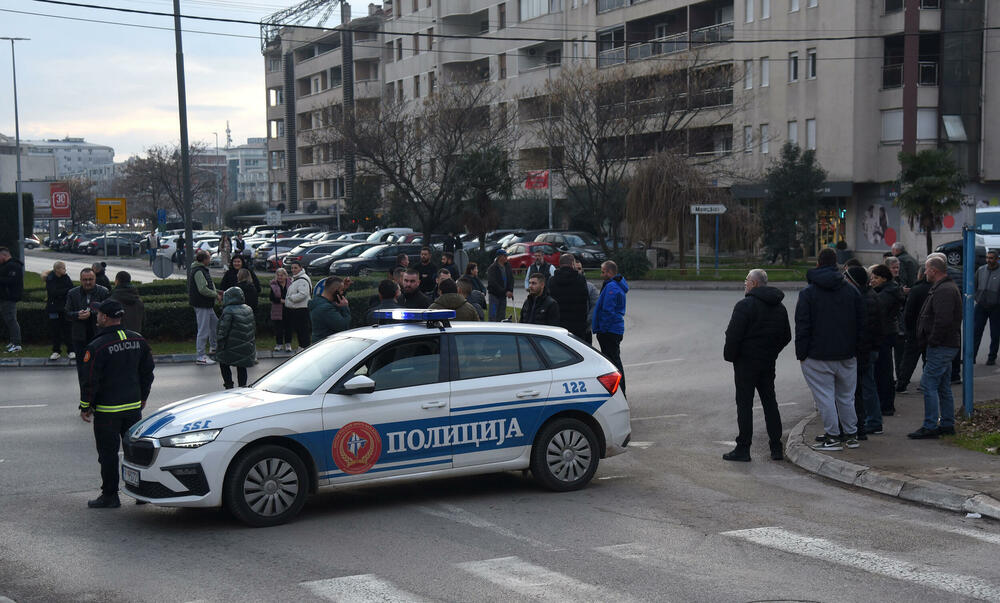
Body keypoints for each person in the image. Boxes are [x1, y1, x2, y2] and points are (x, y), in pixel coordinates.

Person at [78, 299, 154, 509]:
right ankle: (141, 492)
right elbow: (147, 372)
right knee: (134, 453)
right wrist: (143, 396)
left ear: (104, 317)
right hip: (132, 408)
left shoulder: (97, 346)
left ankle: (110, 495)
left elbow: (90, 380)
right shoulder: (138, 340)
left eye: (99, 314)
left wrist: (85, 406)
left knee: (108, 455)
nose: (97, 317)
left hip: (108, 412)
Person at [796, 248, 864, 451]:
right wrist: (856, 348)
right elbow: (861, 322)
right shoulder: (851, 290)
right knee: (846, 396)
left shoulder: (808, 293)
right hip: (847, 354)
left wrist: (802, 353)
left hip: (817, 354)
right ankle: (851, 434)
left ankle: (832, 436)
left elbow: (803, 325)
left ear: (818, 263)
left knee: (824, 396)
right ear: (838, 265)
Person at [722, 269, 791, 462]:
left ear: (754, 283)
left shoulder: (745, 306)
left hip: (746, 363)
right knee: (770, 402)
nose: (744, 284)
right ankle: (776, 447)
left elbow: (733, 335)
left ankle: (743, 448)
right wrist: (772, 352)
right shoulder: (780, 307)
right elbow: (786, 336)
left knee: (744, 405)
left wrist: (731, 356)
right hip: (768, 362)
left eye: (746, 281)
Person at [910, 256, 962, 439]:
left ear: (934, 270)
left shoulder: (944, 290)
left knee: (928, 384)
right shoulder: (943, 287)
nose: (924, 272)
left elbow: (943, 320)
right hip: (945, 345)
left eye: (926, 269)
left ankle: (930, 425)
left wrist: (932, 341)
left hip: (941, 346)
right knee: (942, 386)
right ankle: (947, 424)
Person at [845, 265, 883, 438]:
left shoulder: (863, 298)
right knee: (866, 386)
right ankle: (870, 420)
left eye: (846, 278)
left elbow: (865, 328)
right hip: (869, 347)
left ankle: (873, 421)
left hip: (866, 350)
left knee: (866, 387)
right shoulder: (867, 295)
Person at [870, 263, 904, 416]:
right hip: (887, 332)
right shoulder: (887, 289)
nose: (873, 280)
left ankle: (886, 404)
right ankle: (885, 403)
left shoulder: (888, 292)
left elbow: (878, 309)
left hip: (885, 334)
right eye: (872, 277)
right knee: (883, 369)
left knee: (884, 370)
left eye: (876, 278)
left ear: (884, 278)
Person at [593, 260, 629, 391]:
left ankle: (619, 391)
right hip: (613, 329)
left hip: (609, 331)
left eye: (603, 272)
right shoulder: (615, 285)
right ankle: (618, 390)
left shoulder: (611, 287)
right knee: (614, 361)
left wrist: (602, 329)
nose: (602, 275)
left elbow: (608, 310)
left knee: (612, 363)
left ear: (609, 272)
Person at [66, 267, 110, 368]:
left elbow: (107, 311)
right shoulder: (72, 293)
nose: (88, 282)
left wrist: (92, 313)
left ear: (95, 279)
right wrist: (77, 314)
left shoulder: (103, 292)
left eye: (90, 279)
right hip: (79, 336)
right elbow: (67, 313)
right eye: (85, 280)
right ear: (80, 280)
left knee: (99, 366)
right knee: (82, 367)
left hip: (98, 336)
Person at [897, 267, 931, 393]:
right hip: (929, 331)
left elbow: (908, 313)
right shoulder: (935, 288)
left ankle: (902, 384)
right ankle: (925, 384)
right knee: (928, 359)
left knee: (909, 360)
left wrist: (908, 329)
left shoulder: (916, 289)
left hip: (915, 331)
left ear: (920, 275)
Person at [216, 286, 256, 389]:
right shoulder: (248, 308)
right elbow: (252, 327)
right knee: (241, 366)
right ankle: (242, 386)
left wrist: (219, 342)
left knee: (223, 363)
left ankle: (229, 385)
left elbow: (223, 329)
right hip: (245, 344)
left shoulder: (228, 310)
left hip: (230, 345)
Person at [188, 249, 222, 365]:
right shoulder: (198, 271)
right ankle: (201, 355)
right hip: (202, 304)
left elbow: (208, 286)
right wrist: (215, 295)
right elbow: (202, 289)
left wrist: (217, 291)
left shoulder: (202, 270)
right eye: (209, 257)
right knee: (203, 330)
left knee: (215, 324)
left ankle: (214, 347)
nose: (210, 259)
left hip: (206, 304)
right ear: (204, 259)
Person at [547, 254, 590, 340]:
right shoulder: (580, 279)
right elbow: (585, 299)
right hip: (577, 323)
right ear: (572, 264)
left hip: (559, 323)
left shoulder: (552, 280)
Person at [973, 250, 1000, 365]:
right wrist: (976, 297)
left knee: (995, 334)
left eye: (991, 258)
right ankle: (971, 356)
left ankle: (991, 357)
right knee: (975, 332)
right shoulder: (981, 270)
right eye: (987, 258)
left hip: (996, 307)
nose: (989, 260)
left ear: (997, 259)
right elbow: (974, 285)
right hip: (981, 306)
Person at [43, 261, 73, 360]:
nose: (65, 270)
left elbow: (71, 289)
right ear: (57, 269)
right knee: (55, 330)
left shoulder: (66, 277)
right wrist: (63, 291)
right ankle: (56, 351)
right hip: (54, 309)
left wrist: (61, 292)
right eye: (63, 268)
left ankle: (71, 350)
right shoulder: (50, 278)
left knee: (67, 329)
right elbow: (53, 292)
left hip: (64, 308)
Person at [309, 276, 351, 342]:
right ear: (335, 291)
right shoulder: (326, 309)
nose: (342, 293)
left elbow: (336, 299)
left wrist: (343, 288)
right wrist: (345, 307)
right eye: (341, 290)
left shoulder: (319, 302)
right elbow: (344, 326)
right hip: (326, 345)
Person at [284, 261, 313, 350]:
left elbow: (303, 294)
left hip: (301, 309)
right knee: (300, 330)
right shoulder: (297, 279)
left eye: (295, 268)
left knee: (303, 331)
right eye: (292, 268)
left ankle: (305, 348)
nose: (293, 270)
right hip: (297, 309)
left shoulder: (302, 279)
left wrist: (291, 298)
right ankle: (302, 347)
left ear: (301, 268)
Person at [487, 249, 514, 321]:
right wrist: (505, 292)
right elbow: (493, 283)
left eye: (506, 256)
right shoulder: (492, 268)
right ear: (499, 257)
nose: (506, 257)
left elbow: (511, 279)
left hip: (503, 296)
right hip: (494, 295)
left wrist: (510, 290)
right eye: (504, 256)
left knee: (502, 315)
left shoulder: (507, 266)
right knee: (493, 316)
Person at [577, 259, 599, 344]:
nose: (577, 271)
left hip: (585, 329)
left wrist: (587, 322)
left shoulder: (590, 287)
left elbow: (595, 305)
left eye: (579, 268)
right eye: (575, 268)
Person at [270, 268, 291, 352]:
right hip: (277, 309)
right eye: (278, 275)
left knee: (288, 328)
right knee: (278, 328)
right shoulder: (273, 284)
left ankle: (288, 344)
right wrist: (281, 301)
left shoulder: (291, 284)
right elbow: (271, 297)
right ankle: (279, 344)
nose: (279, 277)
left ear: (285, 276)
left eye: (281, 275)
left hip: (289, 309)